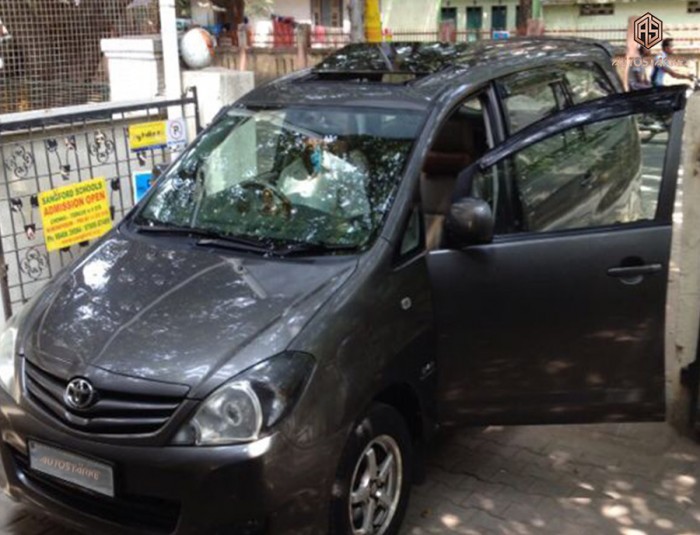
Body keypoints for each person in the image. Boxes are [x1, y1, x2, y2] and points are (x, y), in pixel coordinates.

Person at [278, 138, 371, 223]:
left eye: (314, 137)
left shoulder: (344, 173)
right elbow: (278, 213)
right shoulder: (288, 173)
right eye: (306, 137)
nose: (310, 141)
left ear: (323, 141)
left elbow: (358, 220)